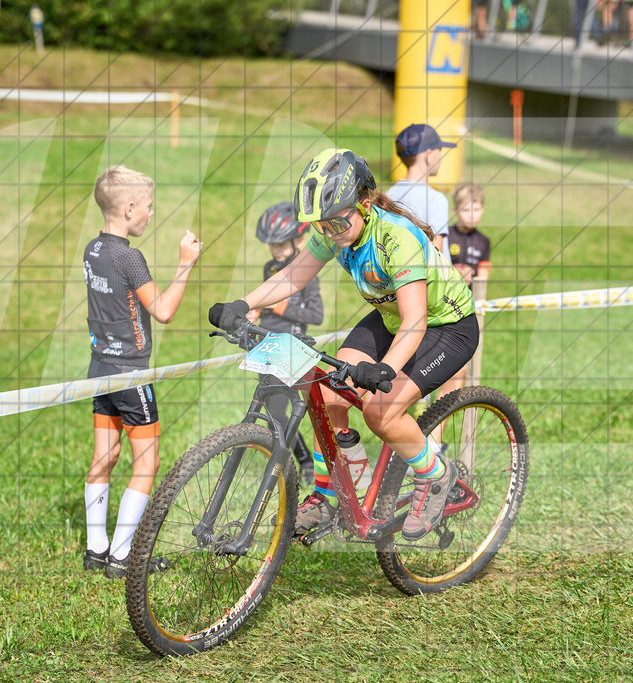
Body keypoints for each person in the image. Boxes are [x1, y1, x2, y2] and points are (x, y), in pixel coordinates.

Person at [209, 148, 479, 542]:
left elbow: (416, 320)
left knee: (379, 412)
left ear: (365, 205)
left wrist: (385, 369)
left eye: (337, 222)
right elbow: (292, 277)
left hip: (446, 325)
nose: (330, 232)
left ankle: (436, 476)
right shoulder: (336, 232)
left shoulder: (395, 238)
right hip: (393, 317)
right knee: (327, 388)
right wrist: (243, 304)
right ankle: (332, 490)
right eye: (322, 225)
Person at [82, 164, 202, 578]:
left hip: (99, 368)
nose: (151, 214)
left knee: (105, 455)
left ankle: (95, 549)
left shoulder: (93, 250)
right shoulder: (129, 257)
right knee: (145, 463)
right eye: (149, 207)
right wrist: (185, 263)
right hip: (130, 373)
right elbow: (164, 311)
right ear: (129, 208)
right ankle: (123, 556)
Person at [248, 201, 324, 483]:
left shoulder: (305, 272)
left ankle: (298, 465)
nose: (276, 251)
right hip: (266, 346)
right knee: (273, 412)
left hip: (290, 349)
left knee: (283, 412)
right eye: (272, 245)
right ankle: (298, 461)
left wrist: (280, 309)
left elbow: (316, 315)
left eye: (281, 244)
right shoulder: (270, 268)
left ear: (299, 239)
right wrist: (256, 312)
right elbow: (266, 302)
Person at [438, 183, 492, 401]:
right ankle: (427, 403)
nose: (472, 215)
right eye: (466, 210)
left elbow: (484, 274)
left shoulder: (483, 242)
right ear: (455, 211)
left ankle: (453, 403)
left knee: (465, 362)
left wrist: (478, 282)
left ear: (483, 210)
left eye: (476, 210)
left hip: (470, 309)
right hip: (445, 305)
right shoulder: (446, 236)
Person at [387, 123, 456, 257]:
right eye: (439, 150)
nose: (440, 158)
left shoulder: (388, 195)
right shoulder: (435, 199)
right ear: (428, 155)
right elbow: (436, 258)